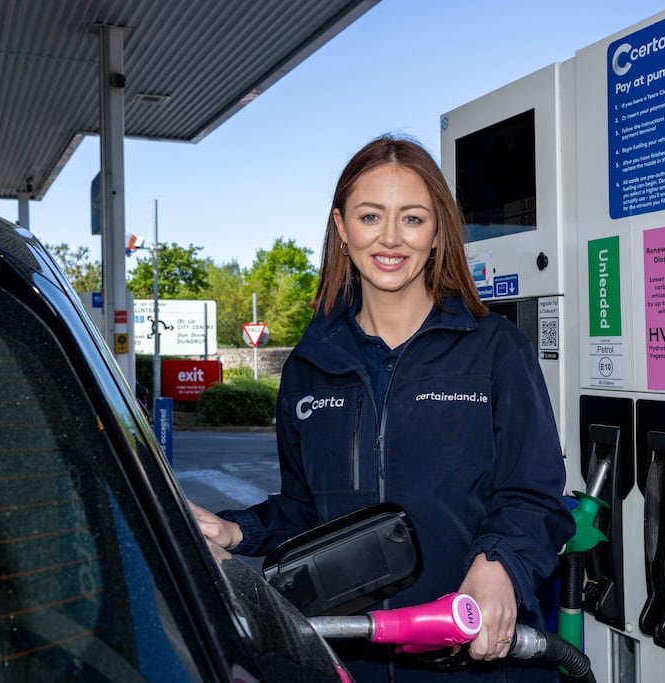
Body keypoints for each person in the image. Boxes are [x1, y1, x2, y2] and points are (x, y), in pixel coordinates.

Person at [191, 135, 575, 682]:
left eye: (412, 218)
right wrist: (236, 532)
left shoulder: (495, 350)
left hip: (476, 661)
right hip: (350, 662)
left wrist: (498, 567)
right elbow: (306, 511)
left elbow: (534, 497)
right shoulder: (310, 366)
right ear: (342, 228)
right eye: (371, 216)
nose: (390, 238)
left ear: (438, 231)